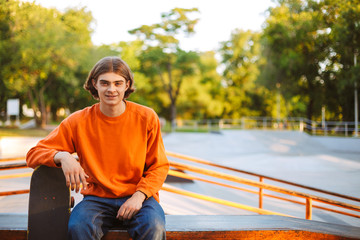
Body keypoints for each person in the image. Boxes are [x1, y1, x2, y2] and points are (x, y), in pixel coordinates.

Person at [26, 56, 170, 240]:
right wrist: (63, 156)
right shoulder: (78, 121)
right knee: (78, 227)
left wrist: (139, 196)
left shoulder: (146, 117)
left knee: (155, 227)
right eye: (105, 83)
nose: (111, 89)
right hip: (97, 199)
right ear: (95, 84)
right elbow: (33, 155)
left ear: (127, 85)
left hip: (140, 196)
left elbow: (159, 166)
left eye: (118, 83)